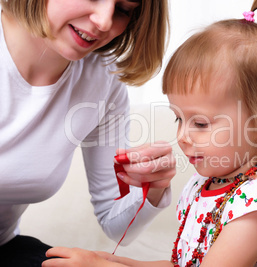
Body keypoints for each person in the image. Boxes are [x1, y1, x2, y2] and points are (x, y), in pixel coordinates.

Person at [43, 0, 257, 266]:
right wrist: (116, 261)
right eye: (178, 119)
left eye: (201, 124)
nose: (182, 136)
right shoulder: (202, 187)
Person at [0, 0, 176, 266]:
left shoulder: (103, 80)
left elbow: (115, 224)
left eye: (123, 10)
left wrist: (151, 189)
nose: (104, 22)